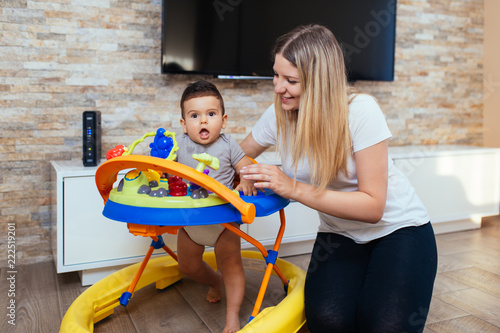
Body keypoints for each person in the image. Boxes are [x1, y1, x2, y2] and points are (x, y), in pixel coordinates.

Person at [239, 24, 438, 332]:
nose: (278, 87)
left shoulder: (360, 111)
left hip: (399, 231)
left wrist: (292, 187)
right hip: (339, 236)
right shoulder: (280, 112)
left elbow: (373, 208)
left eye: (290, 80)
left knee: (382, 327)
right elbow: (239, 154)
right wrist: (239, 171)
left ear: (319, 82)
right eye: (276, 75)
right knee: (329, 322)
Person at [175, 80, 256, 333]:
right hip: (190, 221)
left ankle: (232, 315)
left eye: (211, 114)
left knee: (231, 264)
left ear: (223, 119)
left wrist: (245, 179)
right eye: (194, 115)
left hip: (223, 222)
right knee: (187, 266)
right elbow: (162, 168)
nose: (203, 121)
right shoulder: (179, 145)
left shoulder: (228, 144)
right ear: (183, 124)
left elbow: (245, 166)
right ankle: (214, 281)